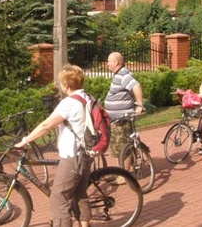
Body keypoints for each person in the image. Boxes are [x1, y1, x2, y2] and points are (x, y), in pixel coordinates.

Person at [15, 65, 92, 227]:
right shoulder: (87, 97)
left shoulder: (69, 103)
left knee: (58, 197)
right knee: (79, 193)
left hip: (73, 156)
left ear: (67, 85)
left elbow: (45, 126)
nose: (60, 86)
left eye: (61, 83)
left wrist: (25, 140)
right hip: (86, 153)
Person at [104, 52, 144, 161]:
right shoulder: (119, 74)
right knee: (118, 148)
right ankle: (119, 172)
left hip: (122, 120)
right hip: (116, 119)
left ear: (116, 62)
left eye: (109, 61)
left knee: (123, 148)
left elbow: (136, 86)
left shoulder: (123, 75)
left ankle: (124, 176)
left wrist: (139, 105)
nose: (107, 64)